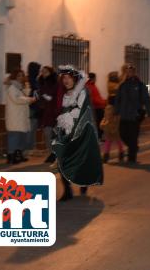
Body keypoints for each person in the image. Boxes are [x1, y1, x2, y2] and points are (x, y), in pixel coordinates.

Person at [53, 66, 103, 201]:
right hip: (66, 132)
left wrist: (69, 116)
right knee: (62, 159)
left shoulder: (82, 92)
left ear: (74, 79)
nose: (66, 80)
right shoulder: (62, 94)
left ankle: (84, 182)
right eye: (64, 78)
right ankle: (67, 190)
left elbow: (85, 111)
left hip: (81, 132)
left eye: (68, 78)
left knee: (81, 160)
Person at [114, 63, 150, 164]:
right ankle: (134, 147)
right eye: (127, 71)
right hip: (124, 114)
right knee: (122, 134)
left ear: (134, 72)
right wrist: (116, 111)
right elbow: (118, 99)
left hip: (135, 115)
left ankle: (132, 158)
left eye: (130, 71)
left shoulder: (140, 85)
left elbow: (146, 99)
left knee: (133, 136)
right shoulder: (121, 85)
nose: (128, 73)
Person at [4, 69, 36, 164]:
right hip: (14, 117)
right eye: (18, 75)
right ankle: (11, 157)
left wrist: (26, 86)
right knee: (14, 137)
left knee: (21, 137)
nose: (20, 77)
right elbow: (17, 99)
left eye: (22, 75)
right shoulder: (12, 87)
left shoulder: (19, 87)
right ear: (14, 76)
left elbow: (25, 94)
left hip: (20, 117)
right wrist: (29, 99)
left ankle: (19, 155)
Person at [38, 66, 58, 163]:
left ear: (50, 72)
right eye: (42, 71)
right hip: (45, 112)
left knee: (53, 133)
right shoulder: (41, 82)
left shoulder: (55, 82)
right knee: (47, 133)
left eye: (46, 71)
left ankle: (54, 154)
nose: (44, 73)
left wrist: (45, 95)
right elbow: (41, 95)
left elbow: (53, 96)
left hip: (53, 111)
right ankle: (51, 153)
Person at [26, 62, 42, 154]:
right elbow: (33, 95)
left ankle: (32, 147)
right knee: (31, 128)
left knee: (33, 128)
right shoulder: (31, 81)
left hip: (35, 107)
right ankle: (29, 148)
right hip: (32, 107)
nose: (39, 72)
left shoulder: (34, 80)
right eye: (38, 70)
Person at [86, 72, 107, 140]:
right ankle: (98, 137)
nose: (96, 79)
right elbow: (94, 99)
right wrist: (104, 102)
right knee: (99, 123)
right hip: (96, 108)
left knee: (99, 123)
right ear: (93, 78)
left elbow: (97, 97)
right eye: (95, 78)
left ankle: (99, 136)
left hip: (98, 107)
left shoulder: (92, 85)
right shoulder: (90, 86)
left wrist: (104, 101)